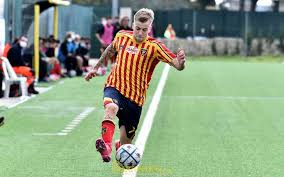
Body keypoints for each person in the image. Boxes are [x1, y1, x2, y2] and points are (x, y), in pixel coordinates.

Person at [85, 8, 186, 162]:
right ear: (133, 25)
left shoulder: (155, 47)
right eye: (137, 28)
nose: (140, 33)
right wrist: (95, 67)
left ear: (150, 28)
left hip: (135, 99)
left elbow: (176, 64)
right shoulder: (121, 36)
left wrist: (181, 62)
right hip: (115, 87)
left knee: (126, 145)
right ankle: (106, 146)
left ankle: (119, 144)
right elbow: (110, 49)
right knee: (111, 107)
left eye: (144, 30)